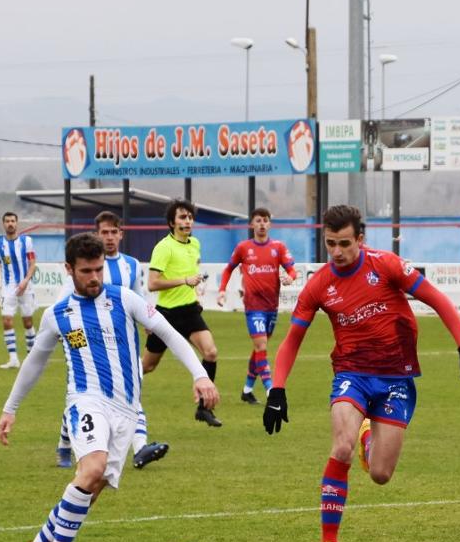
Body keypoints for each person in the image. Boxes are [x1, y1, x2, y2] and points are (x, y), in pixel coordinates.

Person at [263, 204, 460, 542]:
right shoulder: (319, 285)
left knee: (380, 475)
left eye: (344, 243)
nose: (337, 252)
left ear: (360, 239)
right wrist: (277, 389)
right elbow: (292, 340)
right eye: (330, 244)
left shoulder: (385, 265)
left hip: (396, 377)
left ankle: (368, 438)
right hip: (351, 374)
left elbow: (437, 299)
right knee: (339, 447)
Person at [0, 232, 219, 542]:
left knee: (92, 484)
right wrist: (11, 408)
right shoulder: (58, 315)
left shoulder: (124, 298)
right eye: (86, 271)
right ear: (69, 269)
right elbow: (34, 363)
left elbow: (169, 332)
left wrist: (199, 375)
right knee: (93, 467)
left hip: (126, 410)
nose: (95, 277)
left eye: (99, 269)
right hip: (85, 401)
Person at [52, 212, 170, 470]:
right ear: (97, 235)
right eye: (103, 232)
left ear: (120, 234)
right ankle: (64, 442)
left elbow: (137, 297)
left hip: (123, 344)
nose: (108, 237)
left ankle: (140, 448)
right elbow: (62, 302)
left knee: (130, 392)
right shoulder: (84, 266)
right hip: (87, 338)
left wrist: (149, 325)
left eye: (112, 232)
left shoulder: (130, 264)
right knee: (84, 394)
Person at [143, 199, 222, 427]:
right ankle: (118, 386)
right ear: (171, 222)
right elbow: (153, 284)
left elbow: (191, 273)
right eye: (182, 217)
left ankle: (204, 409)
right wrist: (184, 281)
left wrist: (194, 294)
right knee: (147, 366)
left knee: (211, 352)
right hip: (166, 315)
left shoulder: (194, 244)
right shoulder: (163, 247)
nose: (187, 221)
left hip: (189, 311)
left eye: (189, 217)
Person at [217, 207, 297, 404]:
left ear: (270, 224)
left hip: (272, 307)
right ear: (251, 224)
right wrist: (221, 290)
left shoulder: (278, 247)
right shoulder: (244, 248)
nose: (262, 224)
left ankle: (246, 390)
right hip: (253, 307)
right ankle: (271, 390)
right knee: (261, 345)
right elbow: (228, 270)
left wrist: (290, 277)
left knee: (259, 348)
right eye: (258, 220)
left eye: (265, 220)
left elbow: (292, 270)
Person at [0, 211, 37, 369]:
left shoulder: (26, 241)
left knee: (27, 322)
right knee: (7, 320)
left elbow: (32, 264)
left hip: (26, 287)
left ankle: (31, 358)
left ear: (17, 223)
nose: (10, 224)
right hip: (8, 288)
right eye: (7, 221)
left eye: (13, 221)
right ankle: (13, 359)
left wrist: (25, 281)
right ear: (3, 224)